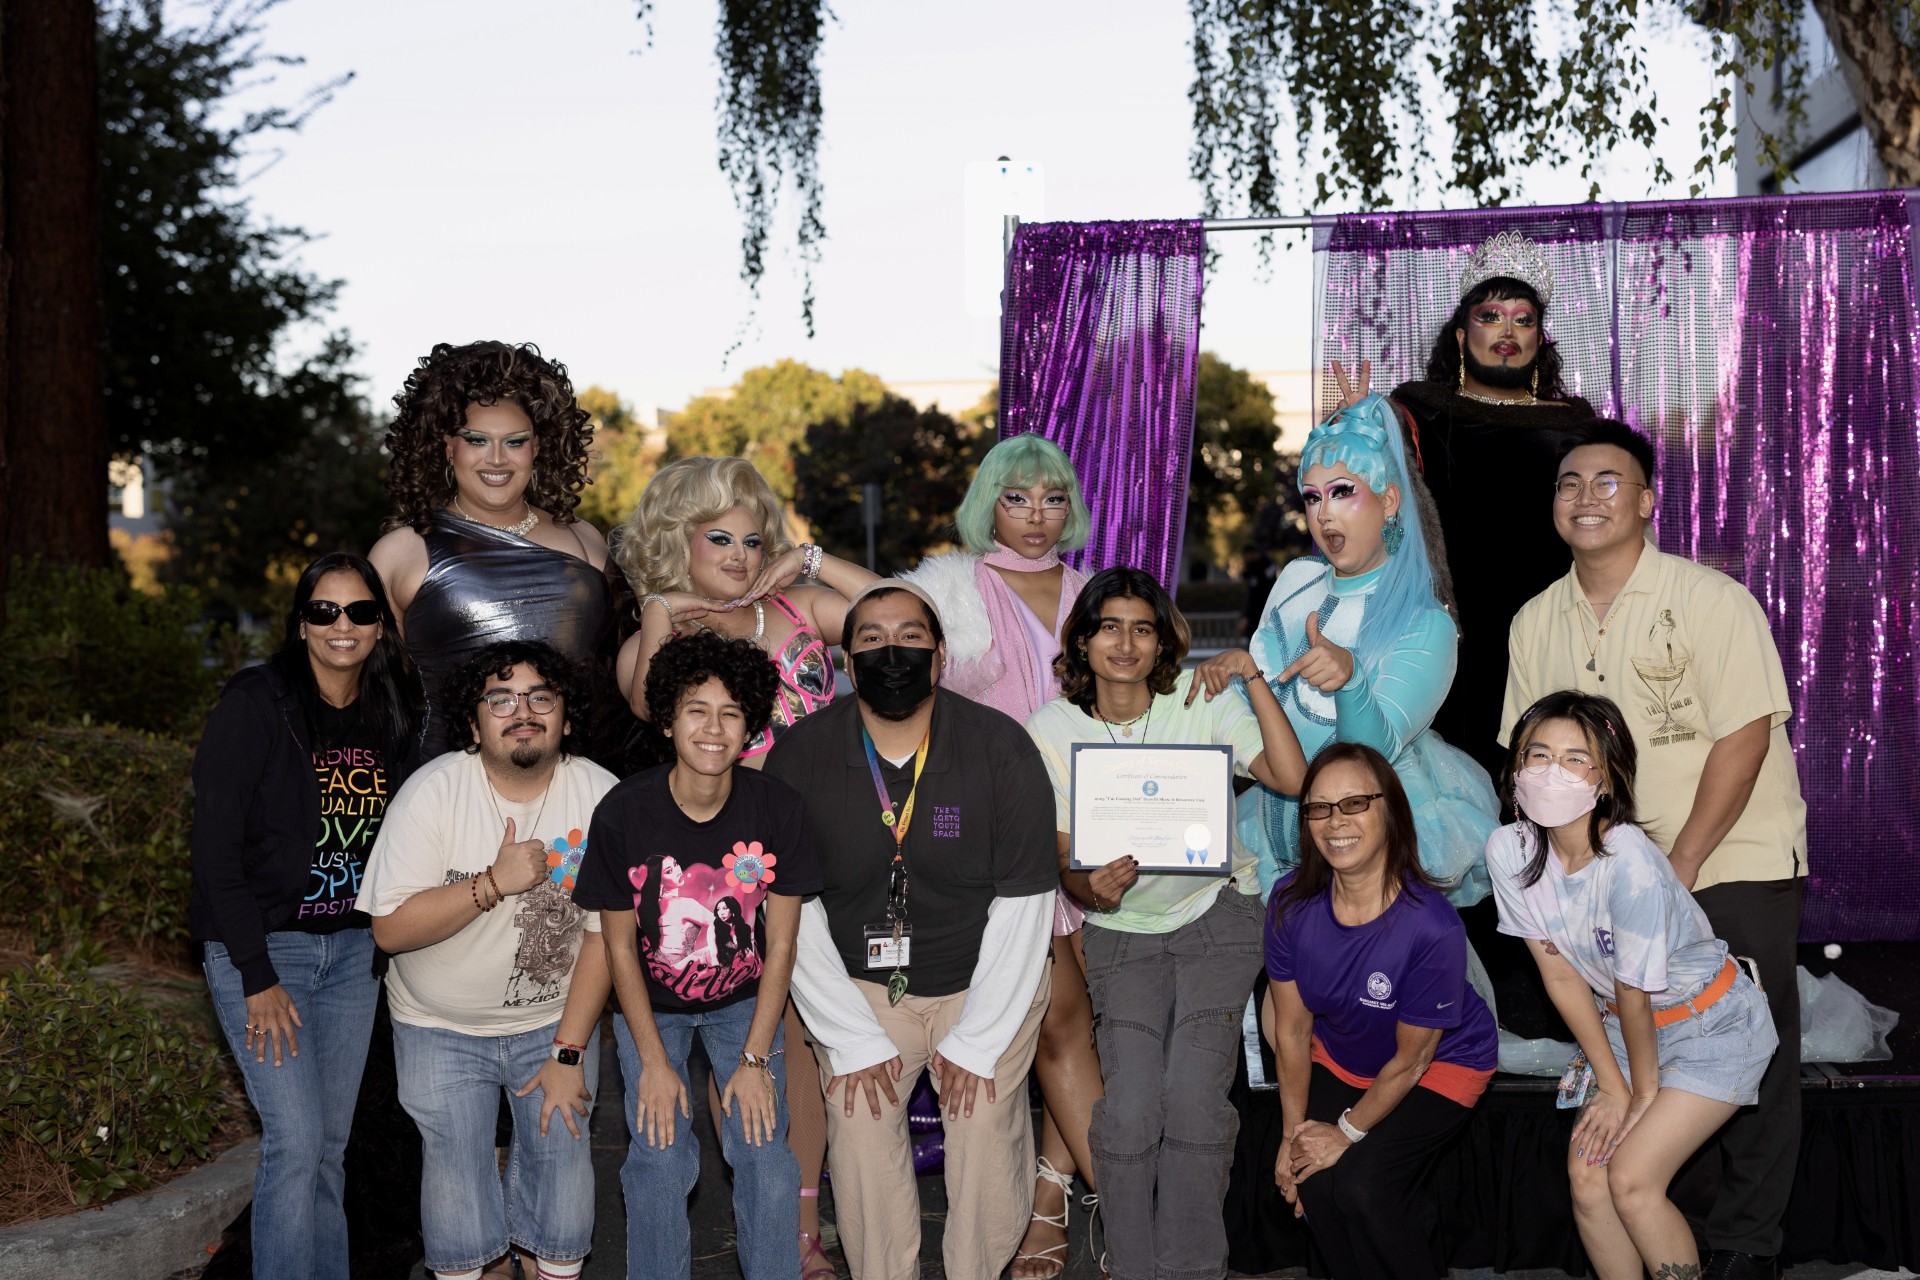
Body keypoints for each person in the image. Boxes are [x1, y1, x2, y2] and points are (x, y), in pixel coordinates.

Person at [1502, 421, 1807, 1280]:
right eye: (1569, 483)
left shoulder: (1710, 601)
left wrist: (1682, 867)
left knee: (1751, 1051)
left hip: (1727, 860)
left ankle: (1749, 1246)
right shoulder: (1534, 621)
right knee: (1654, 1057)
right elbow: (1527, 758)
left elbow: (1744, 738)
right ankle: (1668, 1230)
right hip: (1609, 883)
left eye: (1608, 481)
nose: (1586, 497)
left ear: (1645, 502)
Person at [610, 453, 875, 1276]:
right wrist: (661, 610)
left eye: (754, 541)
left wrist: (808, 559)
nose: (738, 555)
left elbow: (903, 614)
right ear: (674, 540)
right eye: (717, 537)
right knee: (769, 1045)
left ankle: (799, 1227)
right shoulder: (663, 634)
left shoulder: (795, 608)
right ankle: (775, 1233)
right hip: (726, 879)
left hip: (837, 845)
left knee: (822, 1045)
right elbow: (650, 698)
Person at [767, 581, 1059, 1280]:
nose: (890, 651)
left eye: (909, 637)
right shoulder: (801, 756)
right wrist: (852, 1039)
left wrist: (980, 1043)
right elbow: (792, 911)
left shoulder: (1001, 749)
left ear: (940, 655)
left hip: (981, 979)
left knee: (985, 1116)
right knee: (861, 1122)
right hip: (862, 986)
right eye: (870, 639)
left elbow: (1026, 907)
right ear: (843, 658)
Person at [1024, 567, 1307, 1280]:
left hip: (1218, 914)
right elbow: (1059, 852)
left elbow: (1292, 777)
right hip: (1119, 932)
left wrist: (1251, 677)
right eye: (1108, 626)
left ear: (1161, 642)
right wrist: (1086, 883)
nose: (1125, 642)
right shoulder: (1049, 729)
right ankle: (1137, 1264)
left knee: (1192, 1098)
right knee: (1127, 1111)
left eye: (1142, 628)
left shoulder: (1200, 700)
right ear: (1082, 642)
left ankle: (1194, 1268)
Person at [1491, 690, 1778, 1280]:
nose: (1550, 769)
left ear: (1605, 780)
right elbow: (1560, 975)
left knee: (1632, 1178)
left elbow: (1633, 990)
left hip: (1711, 1024)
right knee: (1589, 1181)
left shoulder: (1629, 858)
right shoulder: (1509, 850)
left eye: (1576, 758)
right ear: (1515, 767)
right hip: (1623, 1031)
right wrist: (1615, 1086)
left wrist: (1637, 1095)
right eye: (1537, 754)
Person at [355, 640, 617, 1280]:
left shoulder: (602, 797)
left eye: (540, 697)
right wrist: (492, 883)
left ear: (567, 716)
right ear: (473, 724)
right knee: (458, 1178)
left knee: (561, 1176)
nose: (521, 711)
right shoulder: (432, 793)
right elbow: (388, 930)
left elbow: (605, 937)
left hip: (555, 1022)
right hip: (437, 1025)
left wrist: (568, 1052)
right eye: (500, 699)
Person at [899, 432, 1097, 1278]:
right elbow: (879, 623)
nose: (1035, 515)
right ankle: (1101, 1209)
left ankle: (1051, 1201)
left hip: (1102, 833)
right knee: (1030, 1028)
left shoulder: (1098, 593)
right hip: (1001, 842)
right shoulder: (955, 591)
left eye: (1051, 497)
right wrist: (809, 560)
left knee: (1085, 1031)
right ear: (990, 504)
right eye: (1016, 498)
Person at [571, 631, 826, 1280]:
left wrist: (752, 1059)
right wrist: (654, 1061)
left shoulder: (778, 809)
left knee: (765, 1149)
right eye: (696, 709)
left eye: (730, 712)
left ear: (750, 727)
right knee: (658, 1152)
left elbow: (784, 941)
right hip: (650, 1005)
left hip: (744, 1002)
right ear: (667, 719)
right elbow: (619, 946)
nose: (713, 728)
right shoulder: (625, 812)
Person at [190, 552, 415, 1280]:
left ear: (381, 626)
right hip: (265, 951)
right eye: (323, 611)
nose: (340, 626)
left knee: (329, 1146)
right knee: (294, 1139)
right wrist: (255, 975)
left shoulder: (390, 711)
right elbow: (215, 851)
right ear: (301, 622)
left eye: (358, 612)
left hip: (351, 955)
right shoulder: (257, 703)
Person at [1196, 393, 1497, 906]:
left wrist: (1351, 679)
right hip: (1270, 826)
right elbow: (1256, 713)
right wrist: (1228, 684)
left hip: (1371, 842)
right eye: (1312, 498)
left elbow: (1370, 758)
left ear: (1390, 500)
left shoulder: (1425, 622)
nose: (1324, 514)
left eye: (1343, 492)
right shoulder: (1295, 580)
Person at [1335, 230, 1597, 774]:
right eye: (1491, 316)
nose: (1508, 331)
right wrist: (1362, 434)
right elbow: (1362, 515)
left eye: (1524, 319)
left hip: (1551, 637)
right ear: (1460, 335)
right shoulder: (1415, 414)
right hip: (1443, 638)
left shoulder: (1576, 427)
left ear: (1540, 339)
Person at [1264, 742, 1497, 1279]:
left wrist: (1344, 1132)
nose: (1334, 821)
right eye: (1319, 807)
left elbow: (1412, 1063)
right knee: (1313, 1181)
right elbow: (1293, 1031)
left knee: (1363, 1188)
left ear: (1390, 810)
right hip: (1347, 1055)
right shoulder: (1289, 903)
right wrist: (1291, 1137)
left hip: (1442, 1064)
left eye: (1354, 803)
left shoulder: (1432, 927)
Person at [369, 340, 617, 761]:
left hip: (579, 787)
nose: (497, 460)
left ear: (538, 448)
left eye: (515, 441)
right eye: (478, 440)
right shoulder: (400, 553)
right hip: (445, 790)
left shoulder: (585, 540)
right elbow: (369, 693)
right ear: (448, 445)